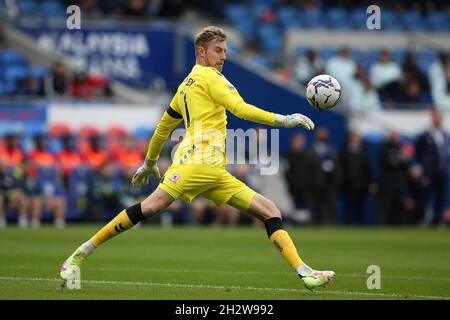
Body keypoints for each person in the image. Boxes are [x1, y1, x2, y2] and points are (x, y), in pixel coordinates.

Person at [59, 26, 334, 291]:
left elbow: (163, 128)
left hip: (215, 170)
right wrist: (284, 120)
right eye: (218, 50)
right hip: (196, 164)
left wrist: (151, 162)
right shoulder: (211, 78)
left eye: (225, 50)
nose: (223, 56)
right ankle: (80, 253)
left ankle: (304, 272)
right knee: (150, 207)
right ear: (201, 52)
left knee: (270, 211)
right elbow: (241, 109)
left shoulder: (184, 87)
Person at [414, 111, 448, 225]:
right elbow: (418, 152)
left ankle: (438, 220)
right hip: (428, 172)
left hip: (441, 171)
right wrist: (421, 166)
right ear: (432, 119)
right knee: (425, 196)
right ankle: (422, 219)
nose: (437, 120)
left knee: (440, 197)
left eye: (439, 118)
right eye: (436, 118)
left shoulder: (445, 134)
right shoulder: (425, 135)